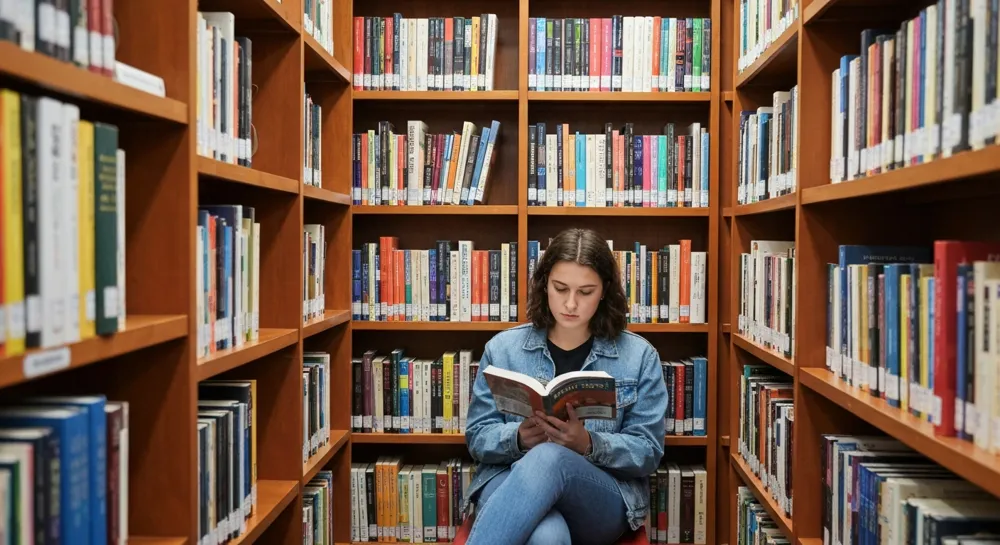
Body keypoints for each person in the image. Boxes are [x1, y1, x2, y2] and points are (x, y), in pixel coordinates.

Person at [463, 228, 669, 545]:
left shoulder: (639, 357)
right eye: (560, 289)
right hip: (510, 483)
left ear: (604, 292)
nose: (570, 303)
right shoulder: (503, 349)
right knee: (548, 536)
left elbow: (648, 451)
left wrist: (588, 443)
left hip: (598, 498)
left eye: (585, 292)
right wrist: (518, 438)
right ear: (544, 284)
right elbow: (478, 437)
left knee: (549, 457)